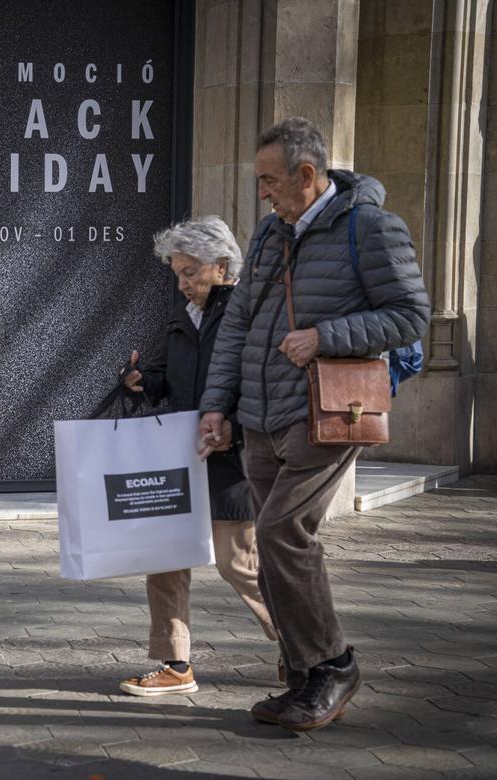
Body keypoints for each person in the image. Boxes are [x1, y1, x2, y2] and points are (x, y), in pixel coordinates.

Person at [199, 117, 430, 731]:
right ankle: (302, 676)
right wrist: (217, 408)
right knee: (273, 545)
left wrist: (327, 335)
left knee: (281, 531)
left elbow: (410, 314)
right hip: (259, 415)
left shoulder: (371, 227)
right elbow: (238, 329)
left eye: (270, 180)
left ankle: (334, 664)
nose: (263, 193)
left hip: (325, 411)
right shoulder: (272, 233)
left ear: (308, 174)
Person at [118, 217, 278, 698]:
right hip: (179, 455)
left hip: (230, 458)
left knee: (239, 563)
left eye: (190, 272)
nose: (183, 282)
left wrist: (233, 427)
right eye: (177, 273)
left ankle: (306, 650)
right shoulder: (181, 316)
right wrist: (141, 381)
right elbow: (166, 378)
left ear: (222, 267)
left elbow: (262, 386)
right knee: (165, 556)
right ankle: (174, 664)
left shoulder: (248, 315)